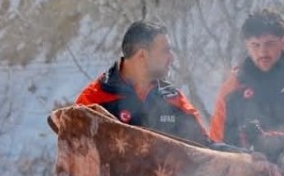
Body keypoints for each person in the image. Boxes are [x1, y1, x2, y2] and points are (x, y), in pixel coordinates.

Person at [76, 19, 211, 145]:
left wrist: (231, 156)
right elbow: (75, 155)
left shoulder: (174, 99)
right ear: (142, 55)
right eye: (166, 51)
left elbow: (206, 149)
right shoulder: (93, 100)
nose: (172, 58)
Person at [209, 9, 284, 165]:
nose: (263, 52)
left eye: (269, 44)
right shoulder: (233, 87)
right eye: (255, 45)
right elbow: (217, 144)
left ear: (283, 42)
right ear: (247, 46)